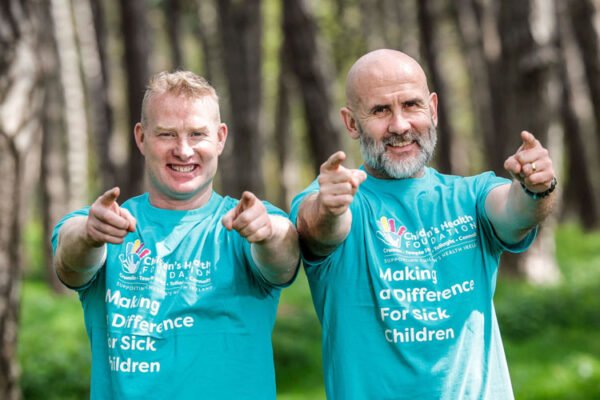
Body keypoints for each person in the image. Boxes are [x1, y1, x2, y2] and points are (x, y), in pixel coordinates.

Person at [290, 49, 557, 399]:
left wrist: (536, 188)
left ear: (432, 108)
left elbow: (517, 211)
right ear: (351, 123)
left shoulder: (471, 195)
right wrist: (331, 209)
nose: (400, 126)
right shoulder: (333, 199)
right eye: (380, 110)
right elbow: (319, 228)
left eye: (411, 105)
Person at [52, 71, 299, 399]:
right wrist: (88, 235)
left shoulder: (248, 223)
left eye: (197, 134)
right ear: (141, 138)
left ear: (220, 138)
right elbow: (70, 262)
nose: (183, 151)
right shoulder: (107, 224)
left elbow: (284, 256)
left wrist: (267, 233)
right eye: (167, 134)